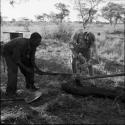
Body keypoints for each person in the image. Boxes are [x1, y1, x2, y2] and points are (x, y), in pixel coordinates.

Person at [3, 32, 43, 96]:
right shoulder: (21, 43)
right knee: (13, 70)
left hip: (19, 53)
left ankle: (30, 86)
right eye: (37, 41)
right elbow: (17, 60)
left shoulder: (33, 46)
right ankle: (10, 92)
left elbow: (32, 60)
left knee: (30, 67)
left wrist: (37, 69)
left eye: (39, 42)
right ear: (32, 40)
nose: (39, 43)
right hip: (9, 52)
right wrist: (26, 69)